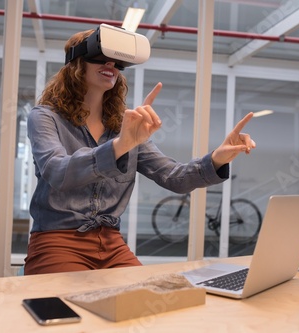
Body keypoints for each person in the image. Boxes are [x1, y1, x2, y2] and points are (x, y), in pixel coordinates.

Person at [24, 27, 256, 275]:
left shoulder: (124, 128)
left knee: (146, 299)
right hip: (58, 240)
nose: (110, 64)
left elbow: (173, 177)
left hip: (112, 244)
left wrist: (217, 158)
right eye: (101, 57)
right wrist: (119, 146)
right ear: (77, 63)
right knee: (67, 308)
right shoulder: (45, 117)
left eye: (117, 61)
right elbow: (58, 171)